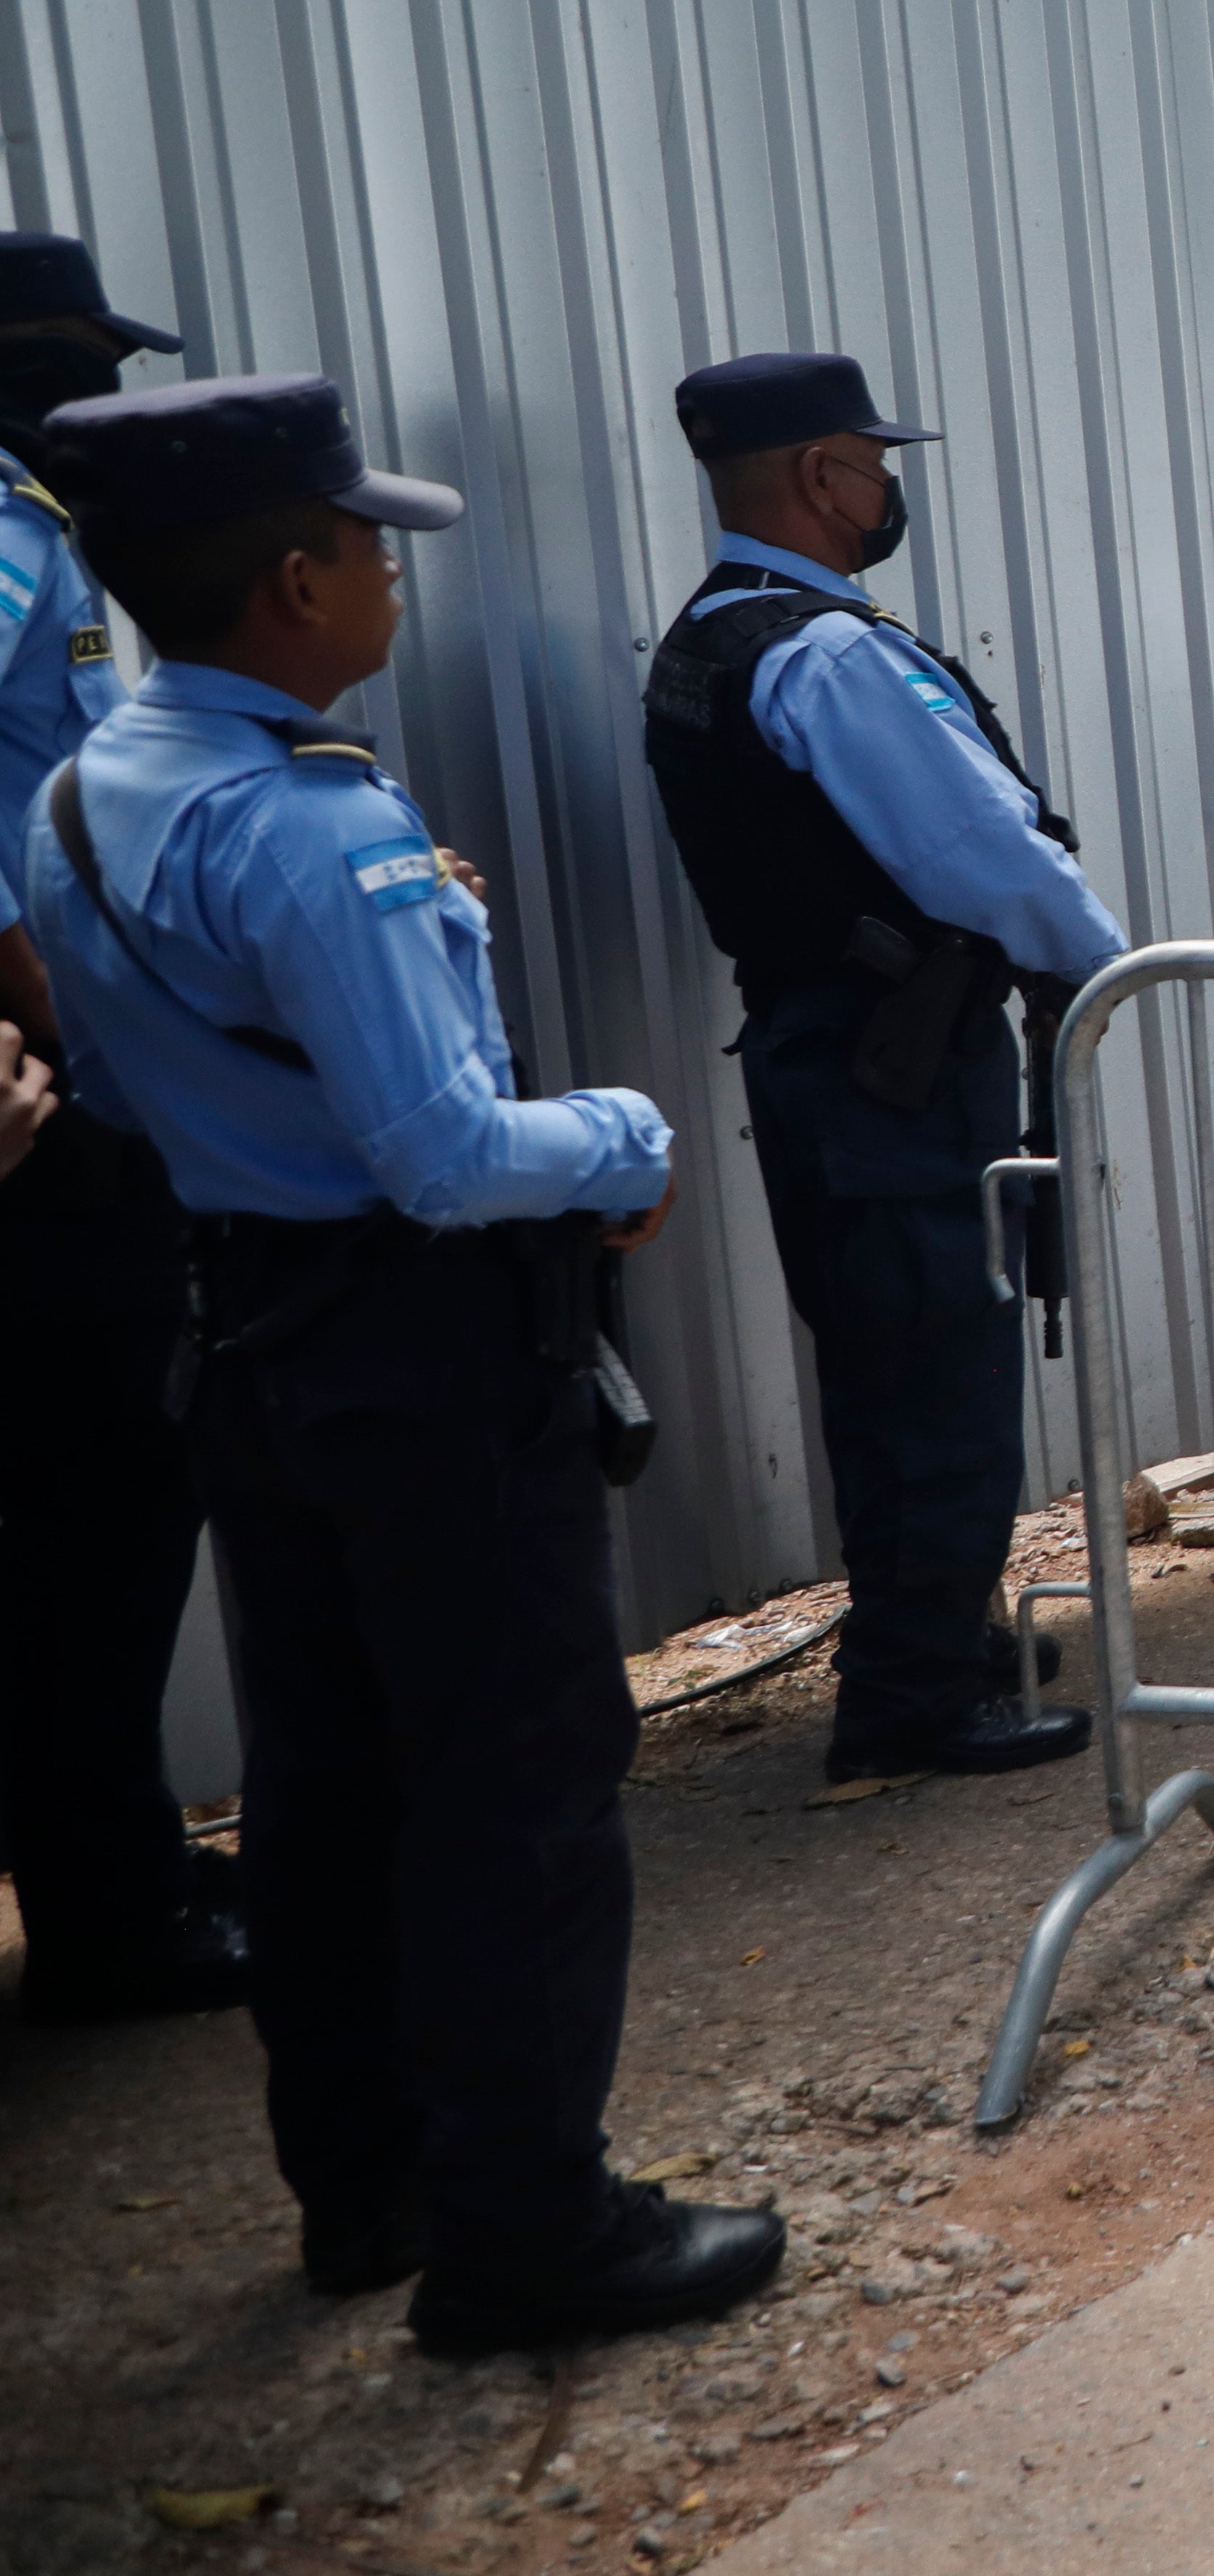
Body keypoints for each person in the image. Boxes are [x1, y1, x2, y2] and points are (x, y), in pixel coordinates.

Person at [17, 372, 782, 2351]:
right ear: (293, 581)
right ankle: (530, 2232)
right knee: (514, 1778)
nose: (391, 583)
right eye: (370, 550)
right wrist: (628, 1136)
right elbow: (446, 1159)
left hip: (249, 1334)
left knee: (327, 1780)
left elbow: (101, 1082)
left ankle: (367, 2190)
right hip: (420, 1351)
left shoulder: (86, 796)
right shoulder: (312, 825)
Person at [643, 353, 1120, 1783]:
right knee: (939, 1363)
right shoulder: (829, 653)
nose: (888, 484)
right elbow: (979, 849)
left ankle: (935, 1636)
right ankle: (916, 1695)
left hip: (826, 1050)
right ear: (816, 477)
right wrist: (1104, 969)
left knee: (886, 1356)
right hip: (896, 1063)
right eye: (872, 457)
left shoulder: (711, 638)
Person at [0, 230, 246, 2028]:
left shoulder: (38, 528)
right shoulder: (7, 535)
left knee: (105, 1500)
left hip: (77, 1093)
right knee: (89, 1505)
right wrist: (73, 1029)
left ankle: (121, 1857)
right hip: (52, 1113)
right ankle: (109, 1908)